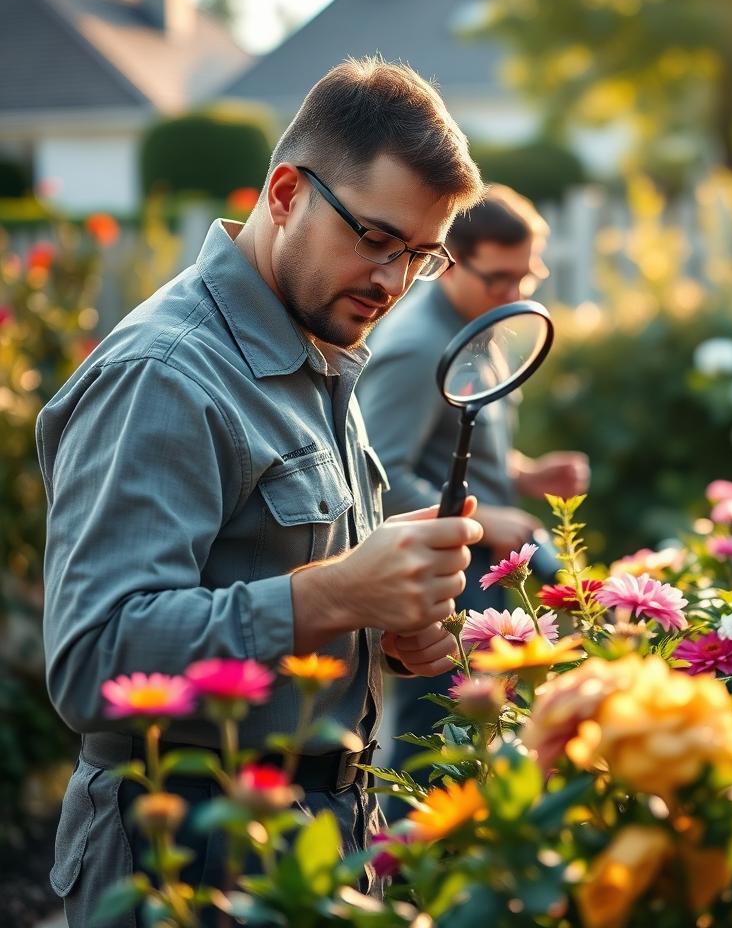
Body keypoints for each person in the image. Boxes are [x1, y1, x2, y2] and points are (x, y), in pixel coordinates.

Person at [37, 58, 486, 925]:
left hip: (322, 835)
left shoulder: (313, 345)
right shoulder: (165, 374)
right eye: (377, 239)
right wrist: (337, 591)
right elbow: (94, 657)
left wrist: (381, 623)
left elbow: (270, 577)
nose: (394, 283)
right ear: (285, 194)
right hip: (185, 855)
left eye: (421, 257)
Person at [356, 185, 589, 809]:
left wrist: (526, 476)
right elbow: (376, 477)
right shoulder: (415, 348)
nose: (514, 297)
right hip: (451, 577)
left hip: (486, 557)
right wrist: (486, 519)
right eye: (499, 279)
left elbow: (454, 449)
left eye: (527, 277)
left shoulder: (474, 319)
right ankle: (406, 879)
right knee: (435, 744)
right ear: (450, 261)